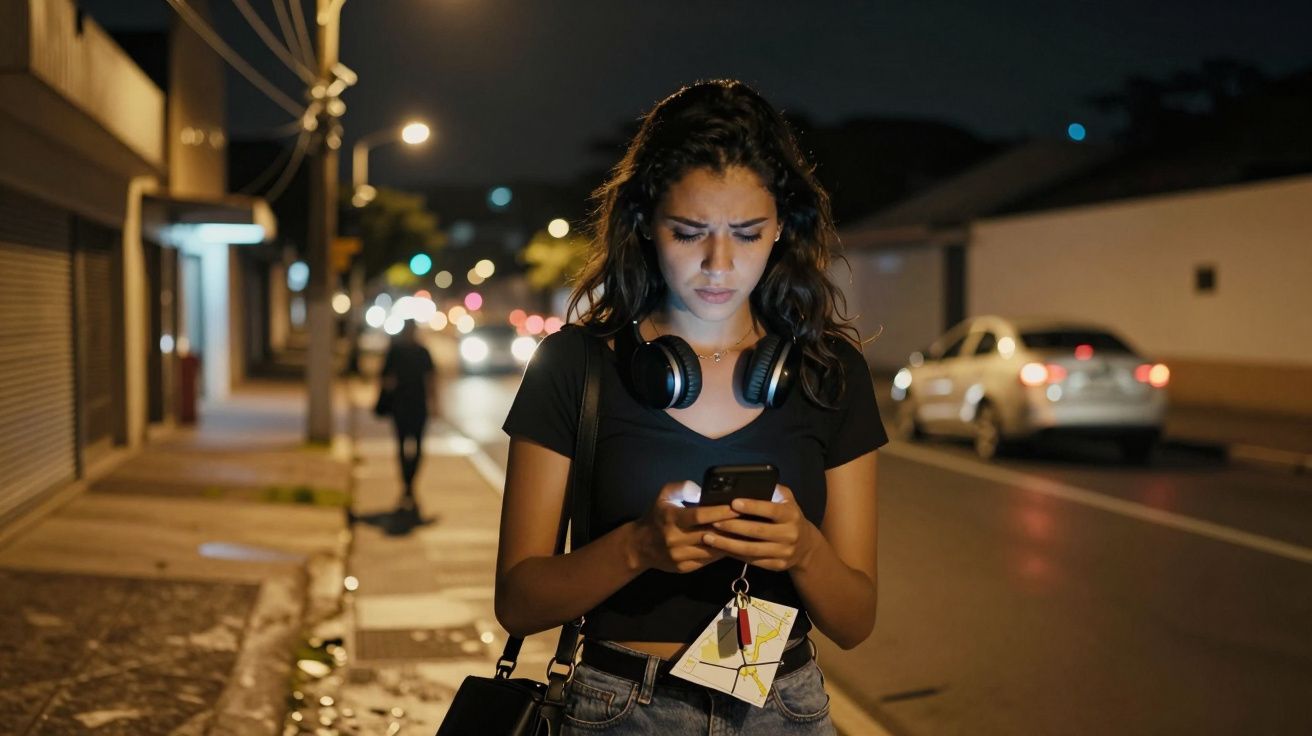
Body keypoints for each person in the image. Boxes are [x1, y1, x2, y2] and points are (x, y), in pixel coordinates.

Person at [496, 80, 887, 734]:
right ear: (645, 225)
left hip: (784, 709)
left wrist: (804, 551)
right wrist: (637, 548)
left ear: (781, 232)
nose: (719, 263)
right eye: (689, 232)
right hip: (619, 711)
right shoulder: (575, 367)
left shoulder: (830, 374)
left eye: (747, 233)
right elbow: (518, 601)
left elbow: (855, 621)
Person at [380, 319, 437, 524]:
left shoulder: (404, 351)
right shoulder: (418, 351)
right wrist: (434, 403)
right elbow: (430, 379)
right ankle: (409, 486)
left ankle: (408, 486)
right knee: (410, 447)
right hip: (410, 406)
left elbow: (387, 378)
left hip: (406, 405)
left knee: (408, 447)